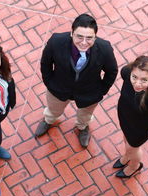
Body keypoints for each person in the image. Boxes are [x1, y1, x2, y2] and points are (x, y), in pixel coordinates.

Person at [35, 13, 118, 147]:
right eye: (79, 36)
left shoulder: (105, 49)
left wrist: (101, 91)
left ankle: (82, 127)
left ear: (95, 37)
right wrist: (50, 83)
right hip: (58, 89)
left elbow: (112, 71)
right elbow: (45, 63)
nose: (84, 42)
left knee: (85, 116)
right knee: (53, 110)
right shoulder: (56, 41)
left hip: (89, 94)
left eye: (89, 38)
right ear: (71, 33)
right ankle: (49, 120)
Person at [114, 56, 148, 178]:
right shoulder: (126, 72)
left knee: (133, 146)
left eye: (144, 80)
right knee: (126, 139)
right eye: (134, 77)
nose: (137, 84)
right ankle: (127, 156)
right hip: (125, 115)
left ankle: (134, 165)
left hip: (141, 126)